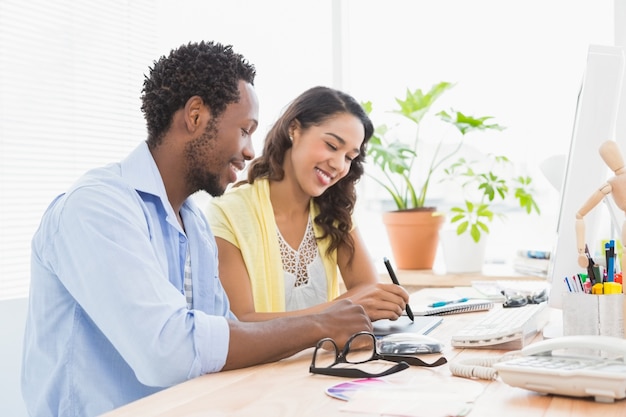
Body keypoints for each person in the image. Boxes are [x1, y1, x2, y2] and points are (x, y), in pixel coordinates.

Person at [21, 41, 371, 417]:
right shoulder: (97, 208)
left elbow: (227, 335)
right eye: (244, 130)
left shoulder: (195, 227)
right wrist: (318, 325)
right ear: (195, 115)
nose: (251, 150)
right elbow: (167, 351)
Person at [206, 86, 410, 322]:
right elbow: (240, 322)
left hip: (330, 357)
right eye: (332, 146)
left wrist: (370, 302)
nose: (339, 165)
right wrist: (340, 310)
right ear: (294, 129)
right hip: (268, 360)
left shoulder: (335, 212)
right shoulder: (227, 214)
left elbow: (368, 292)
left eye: (349, 158)